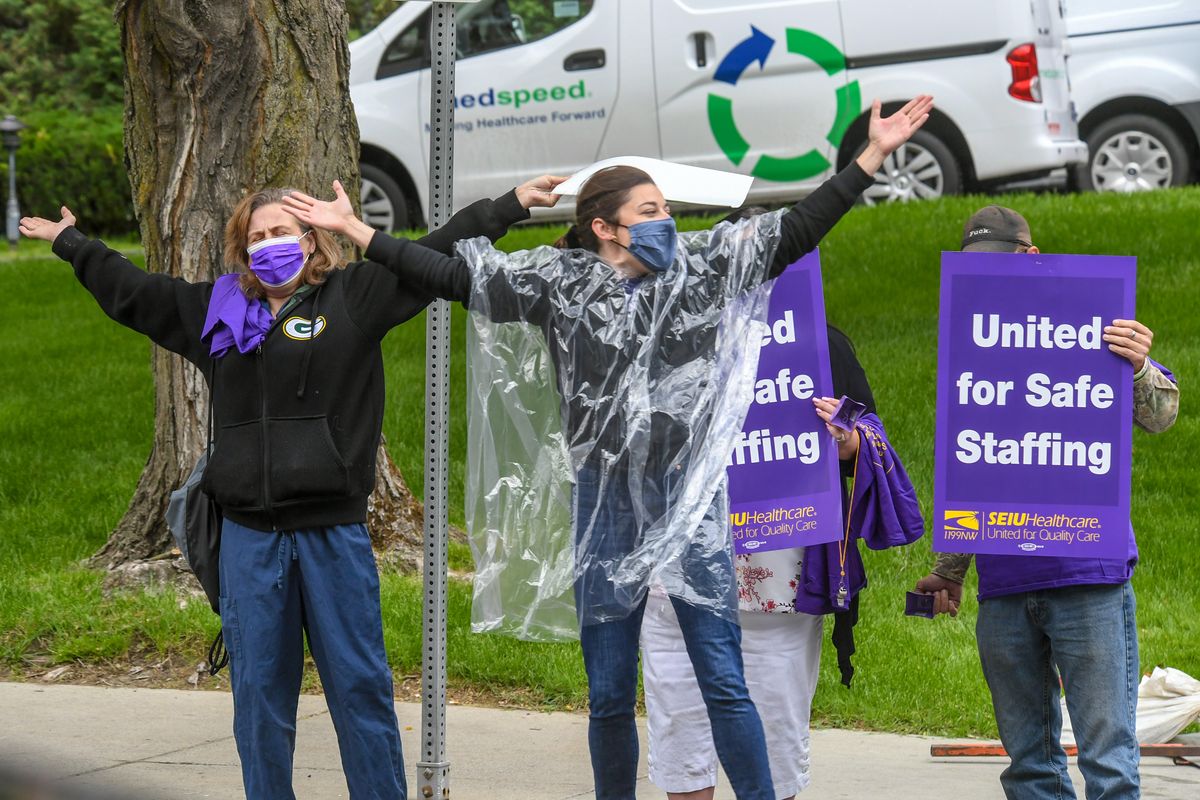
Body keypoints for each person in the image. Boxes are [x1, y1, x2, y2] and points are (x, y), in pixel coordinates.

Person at [286, 94, 934, 800]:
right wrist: (357, 230)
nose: (667, 223)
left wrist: (870, 156)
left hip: (687, 500)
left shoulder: (703, 269)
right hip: (604, 503)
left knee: (723, 678)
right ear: (604, 227)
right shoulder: (556, 285)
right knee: (609, 691)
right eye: (651, 212)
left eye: (667, 211)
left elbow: (801, 228)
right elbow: (448, 275)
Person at [17, 174, 565, 800]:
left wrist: (510, 206)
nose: (268, 245)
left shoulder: (355, 296)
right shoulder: (214, 312)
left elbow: (436, 249)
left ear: (311, 241)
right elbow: (133, 293)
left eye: (281, 233)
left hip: (333, 536)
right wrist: (72, 243)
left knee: (359, 691)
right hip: (249, 541)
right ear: (242, 250)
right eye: (256, 237)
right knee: (258, 701)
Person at [638, 206, 925, 798]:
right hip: (677, 582)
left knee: (774, 738)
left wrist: (845, 440)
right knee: (680, 739)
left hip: (780, 585)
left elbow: (869, 440)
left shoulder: (822, 345)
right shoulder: (668, 337)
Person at [915, 205, 1180, 800]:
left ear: (1029, 255)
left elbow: (1162, 416)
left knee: (1108, 763)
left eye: (995, 264)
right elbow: (973, 458)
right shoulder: (976, 339)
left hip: (1088, 575)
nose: (984, 279)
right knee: (1028, 766)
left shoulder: (1094, 319)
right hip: (1005, 588)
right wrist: (951, 569)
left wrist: (1138, 364)